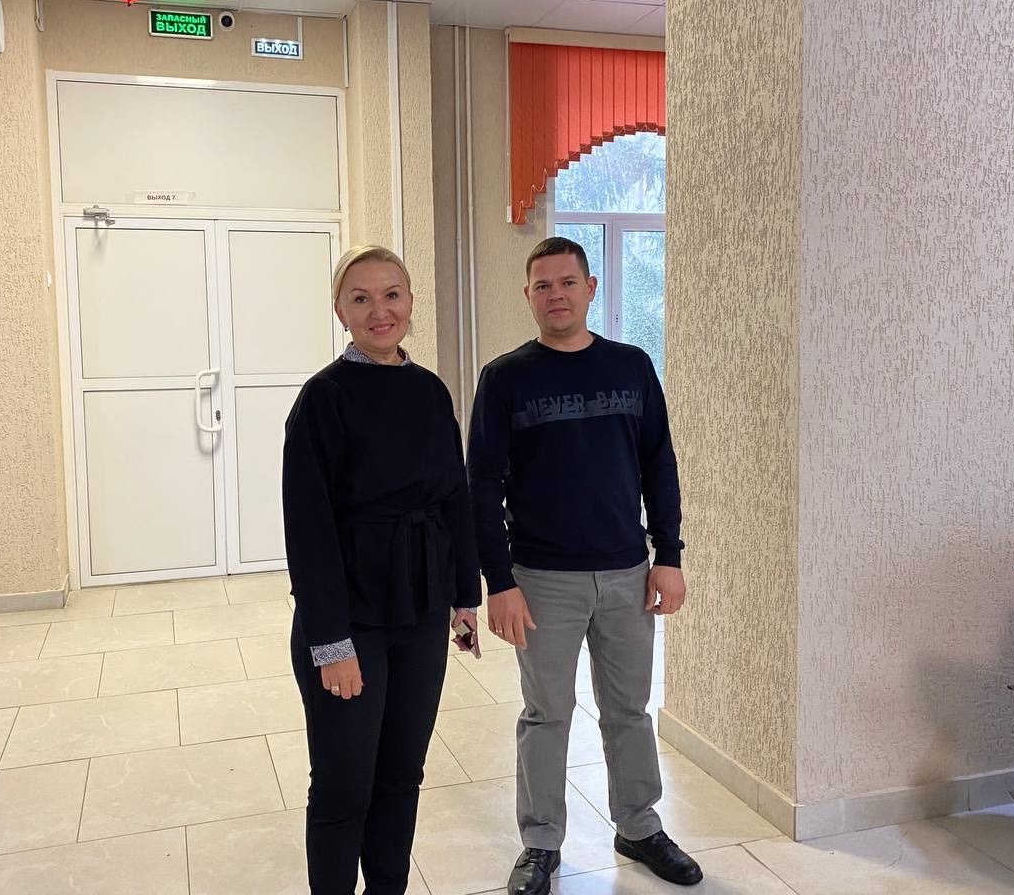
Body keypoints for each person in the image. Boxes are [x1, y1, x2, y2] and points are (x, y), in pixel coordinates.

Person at [467, 236, 702, 893]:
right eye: (543, 286)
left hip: (628, 573)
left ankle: (639, 826)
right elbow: (481, 483)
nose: (556, 295)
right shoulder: (506, 378)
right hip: (542, 580)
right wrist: (499, 582)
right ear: (528, 296)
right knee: (546, 715)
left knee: (629, 709)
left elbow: (659, 464)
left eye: (568, 282)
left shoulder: (631, 366)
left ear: (591, 288)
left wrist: (669, 556)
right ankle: (542, 842)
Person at [283, 244, 482, 895]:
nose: (380, 311)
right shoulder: (323, 399)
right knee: (345, 783)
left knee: (402, 775)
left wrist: (464, 597)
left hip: (420, 611)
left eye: (392, 295)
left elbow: (454, 497)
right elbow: (308, 533)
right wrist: (331, 644)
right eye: (361, 298)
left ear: (410, 303)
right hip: (350, 618)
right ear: (340, 310)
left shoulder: (429, 390)